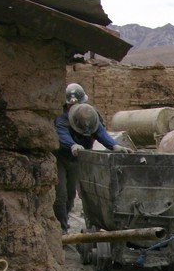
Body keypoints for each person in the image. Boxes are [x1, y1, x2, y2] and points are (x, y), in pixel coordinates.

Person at [54, 84, 131, 232]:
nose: (73, 107)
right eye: (70, 104)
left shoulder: (90, 114)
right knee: (60, 195)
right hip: (61, 158)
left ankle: (64, 219)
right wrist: (72, 145)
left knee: (70, 194)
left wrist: (114, 146)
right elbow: (61, 133)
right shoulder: (62, 117)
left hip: (78, 160)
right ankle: (61, 229)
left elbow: (99, 131)